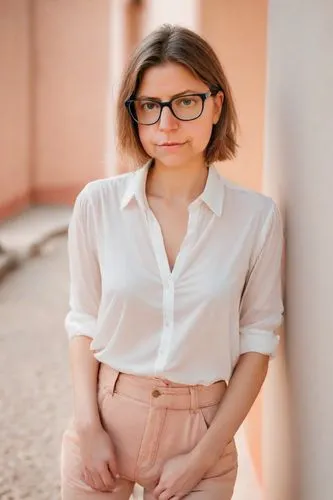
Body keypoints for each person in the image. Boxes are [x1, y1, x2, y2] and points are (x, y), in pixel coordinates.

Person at [60, 24, 284, 500]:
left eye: (186, 102)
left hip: (201, 437)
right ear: (134, 113)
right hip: (107, 422)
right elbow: (83, 321)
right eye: (149, 106)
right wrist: (88, 428)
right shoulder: (96, 205)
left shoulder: (256, 218)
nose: (166, 125)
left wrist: (202, 457)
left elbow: (257, 344)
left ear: (216, 105)